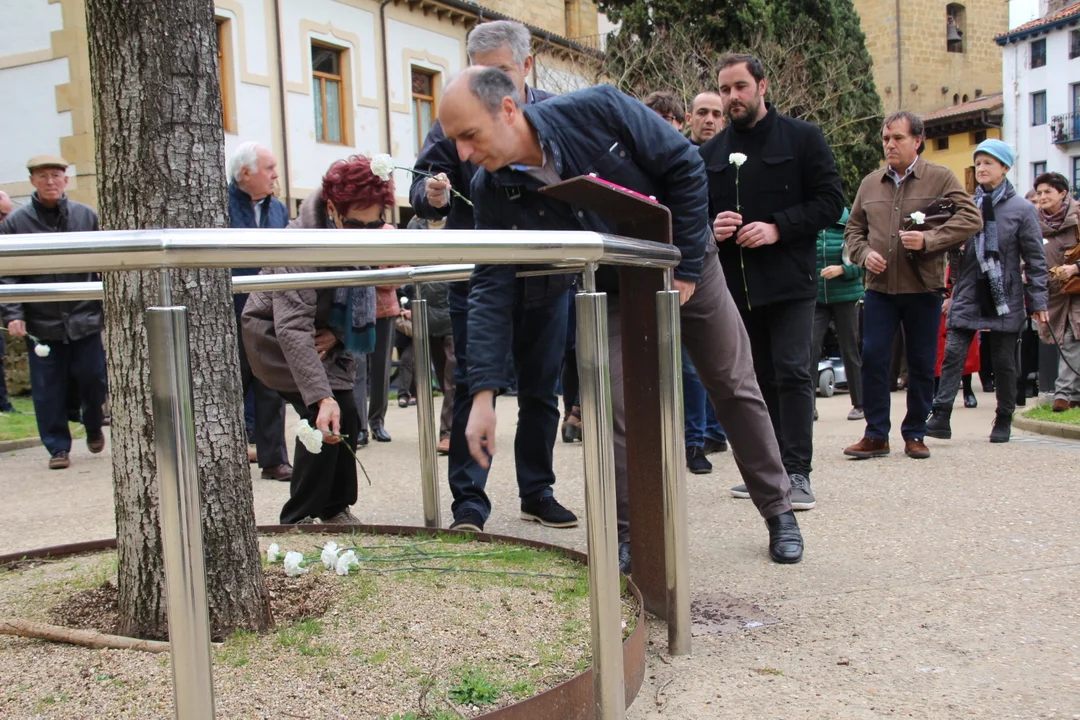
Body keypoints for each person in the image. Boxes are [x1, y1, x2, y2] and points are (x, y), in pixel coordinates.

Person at [437, 66, 803, 565]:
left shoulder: (598, 109)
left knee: (732, 384)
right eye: (454, 140)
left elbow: (685, 166)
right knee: (615, 408)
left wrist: (685, 270)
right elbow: (490, 284)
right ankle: (630, 537)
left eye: (469, 135)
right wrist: (483, 394)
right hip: (611, 286)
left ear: (507, 110)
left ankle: (779, 510)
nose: (462, 153)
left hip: (686, 260)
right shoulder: (490, 187)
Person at [409, 20, 572, 533]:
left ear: (526, 66)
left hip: (548, 278)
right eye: (479, 71)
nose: (488, 83)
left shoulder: (557, 115)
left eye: (499, 70)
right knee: (472, 385)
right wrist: (431, 196)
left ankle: (537, 491)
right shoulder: (457, 114)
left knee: (542, 391)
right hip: (478, 280)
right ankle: (469, 502)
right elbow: (420, 184)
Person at [701, 53, 845, 508]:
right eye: (725, 89)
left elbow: (830, 201)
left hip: (790, 283)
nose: (732, 97)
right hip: (735, 289)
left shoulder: (803, 138)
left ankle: (797, 472)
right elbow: (692, 212)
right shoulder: (709, 153)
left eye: (740, 87)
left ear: (762, 87)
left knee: (793, 372)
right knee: (752, 381)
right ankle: (767, 473)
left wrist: (778, 227)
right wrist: (711, 227)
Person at [242, 155, 389, 525]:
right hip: (273, 336)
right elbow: (291, 327)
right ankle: (298, 516)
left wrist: (337, 335)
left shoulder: (360, 238)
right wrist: (322, 397)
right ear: (332, 209)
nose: (363, 234)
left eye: (373, 225)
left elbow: (357, 303)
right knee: (321, 416)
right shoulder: (298, 243)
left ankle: (335, 507)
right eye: (354, 223)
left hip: (323, 336)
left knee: (348, 413)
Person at [843, 111, 982, 460]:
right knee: (873, 357)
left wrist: (930, 240)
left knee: (921, 362)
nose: (889, 144)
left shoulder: (940, 177)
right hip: (879, 289)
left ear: (917, 141)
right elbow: (853, 231)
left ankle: (915, 433)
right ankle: (876, 434)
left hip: (923, 288)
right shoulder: (870, 183)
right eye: (885, 138)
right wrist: (864, 255)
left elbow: (971, 218)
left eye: (898, 138)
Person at [925, 141, 1047, 443]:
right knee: (953, 353)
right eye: (978, 162)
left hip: (1004, 293)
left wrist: (1039, 302)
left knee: (1004, 360)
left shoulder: (1023, 210)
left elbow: (1035, 259)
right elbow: (950, 247)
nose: (981, 168)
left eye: (989, 163)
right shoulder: (966, 205)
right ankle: (940, 415)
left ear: (1004, 168)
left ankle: (1004, 417)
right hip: (968, 289)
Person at [0, 155, 107, 469]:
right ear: (33, 181)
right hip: (41, 321)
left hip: (84, 317)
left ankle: (93, 424)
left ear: (66, 180)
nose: (50, 182)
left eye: (55, 175)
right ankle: (58, 447)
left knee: (93, 378)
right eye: (43, 176)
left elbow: (102, 264)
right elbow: (7, 272)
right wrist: (13, 313)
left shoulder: (86, 216)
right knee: (48, 388)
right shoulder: (15, 223)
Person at [644, 90, 728, 473]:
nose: (664, 124)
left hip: (691, 268)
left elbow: (697, 217)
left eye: (669, 118)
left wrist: (690, 271)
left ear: (680, 123)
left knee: (694, 363)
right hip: (647, 268)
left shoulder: (693, 160)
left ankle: (696, 441)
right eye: (655, 117)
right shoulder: (637, 159)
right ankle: (675, 439)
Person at [227, 141, 292, 481]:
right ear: (245, 172)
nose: (275, 175)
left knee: (271, 386)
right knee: (228, 387)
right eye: (269, 168)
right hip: (229, 312)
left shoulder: (278, 208)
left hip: (269, 309)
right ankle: (223, 459)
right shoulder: (218, 205)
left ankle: (274, 460)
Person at [812, 208, 865, 421]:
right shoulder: (812, 224)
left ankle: (860, 404)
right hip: (816, 299)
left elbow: (865, 263)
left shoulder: (851, 226)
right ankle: (808, 406)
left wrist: (843, 270)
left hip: (846, 297)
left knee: (850, 349)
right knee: (810, 349)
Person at [1034, 172, 1080, 412]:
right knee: (1064, 339)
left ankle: (1062, 394)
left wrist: (1074, 268)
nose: (1042, 197)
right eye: (1039, 192)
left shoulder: (1078, 217)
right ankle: (1076, 395)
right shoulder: (1033, 222)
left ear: (1063, 193)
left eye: (1047, 191)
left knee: (1072, 338)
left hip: (1077, 288)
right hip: (1051, 292)